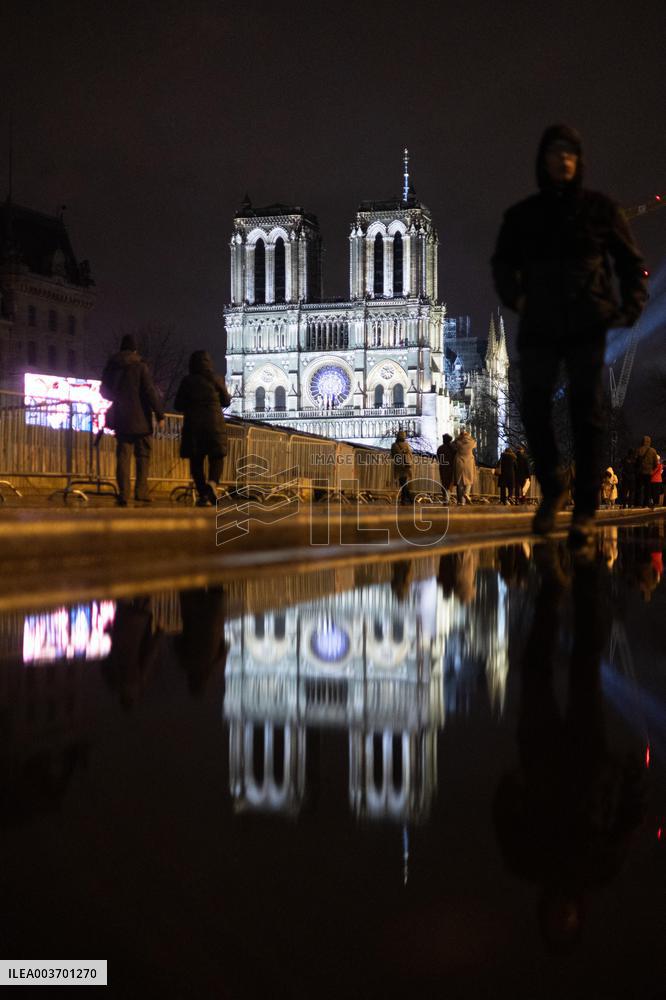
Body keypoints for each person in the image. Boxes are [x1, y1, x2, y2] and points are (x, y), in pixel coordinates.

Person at [491, 124, 647, 547]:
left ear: (578, 162)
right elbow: (502, 264)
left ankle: (584, 511)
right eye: (555, 152)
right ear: (543, 161)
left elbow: (632, 265)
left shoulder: (602, 210)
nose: (563, 159)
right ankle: (553, 479)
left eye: (570, 153)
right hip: (540, 322)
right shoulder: (523, 215)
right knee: (535, 408)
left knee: (588, 411)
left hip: (584, 322)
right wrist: (516, 299)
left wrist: (629, 309)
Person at [101, 334, 165, 507]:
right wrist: (159, 414)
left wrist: (118, 398)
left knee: (123, 456)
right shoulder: (140, 366)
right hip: (141, 419)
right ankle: (141, 492)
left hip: (121, 417)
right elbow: (150, 391)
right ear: (135, 349)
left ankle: (123, 494)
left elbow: (103, 391)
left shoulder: (112, 365)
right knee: (143, 456)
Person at [173, 351, 232, 507]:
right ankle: (212, 484)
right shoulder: (216, 379)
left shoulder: (187, 381)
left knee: (196, 461)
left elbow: (177, 405)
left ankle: (203, 493)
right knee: (217, 457)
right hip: (214, 425)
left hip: (194, 426)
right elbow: (226, 401)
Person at [452, 428, 476, 505]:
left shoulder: (458, 442)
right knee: (469, 481)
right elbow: (475, 443)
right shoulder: (472, 442)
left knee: (460, 482)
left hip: (460, 463)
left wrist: (458, 437)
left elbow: (452, 445)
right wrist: (470, 437)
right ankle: (466, 494)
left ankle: (461, 501)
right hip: (469, 463)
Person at [391, 429, 414, 505]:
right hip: (407, 465)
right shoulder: (406, 444)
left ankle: (407, 499)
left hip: (399, 465)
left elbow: (393, 455)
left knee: (403, 483)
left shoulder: (394, 445)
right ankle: (407, 499)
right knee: (404, 483)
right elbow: (410, 454)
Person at [635, 435, 658, 507]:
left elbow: (635, 461)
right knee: (647, 489)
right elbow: (656, 463)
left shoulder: (639, 449)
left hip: (640, 472)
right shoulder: (653, 451)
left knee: (639, 488)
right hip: (649, 472)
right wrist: (651, 469)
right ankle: (645, 503)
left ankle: (638, 502)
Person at [436, 433, 455, 502]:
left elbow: (438, 457)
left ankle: (445, 498)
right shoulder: (452, 448)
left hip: (442, 467)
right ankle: (447, 498)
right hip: (450, 467)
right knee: (449, 483)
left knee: (444, 482)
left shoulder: (440, 448)